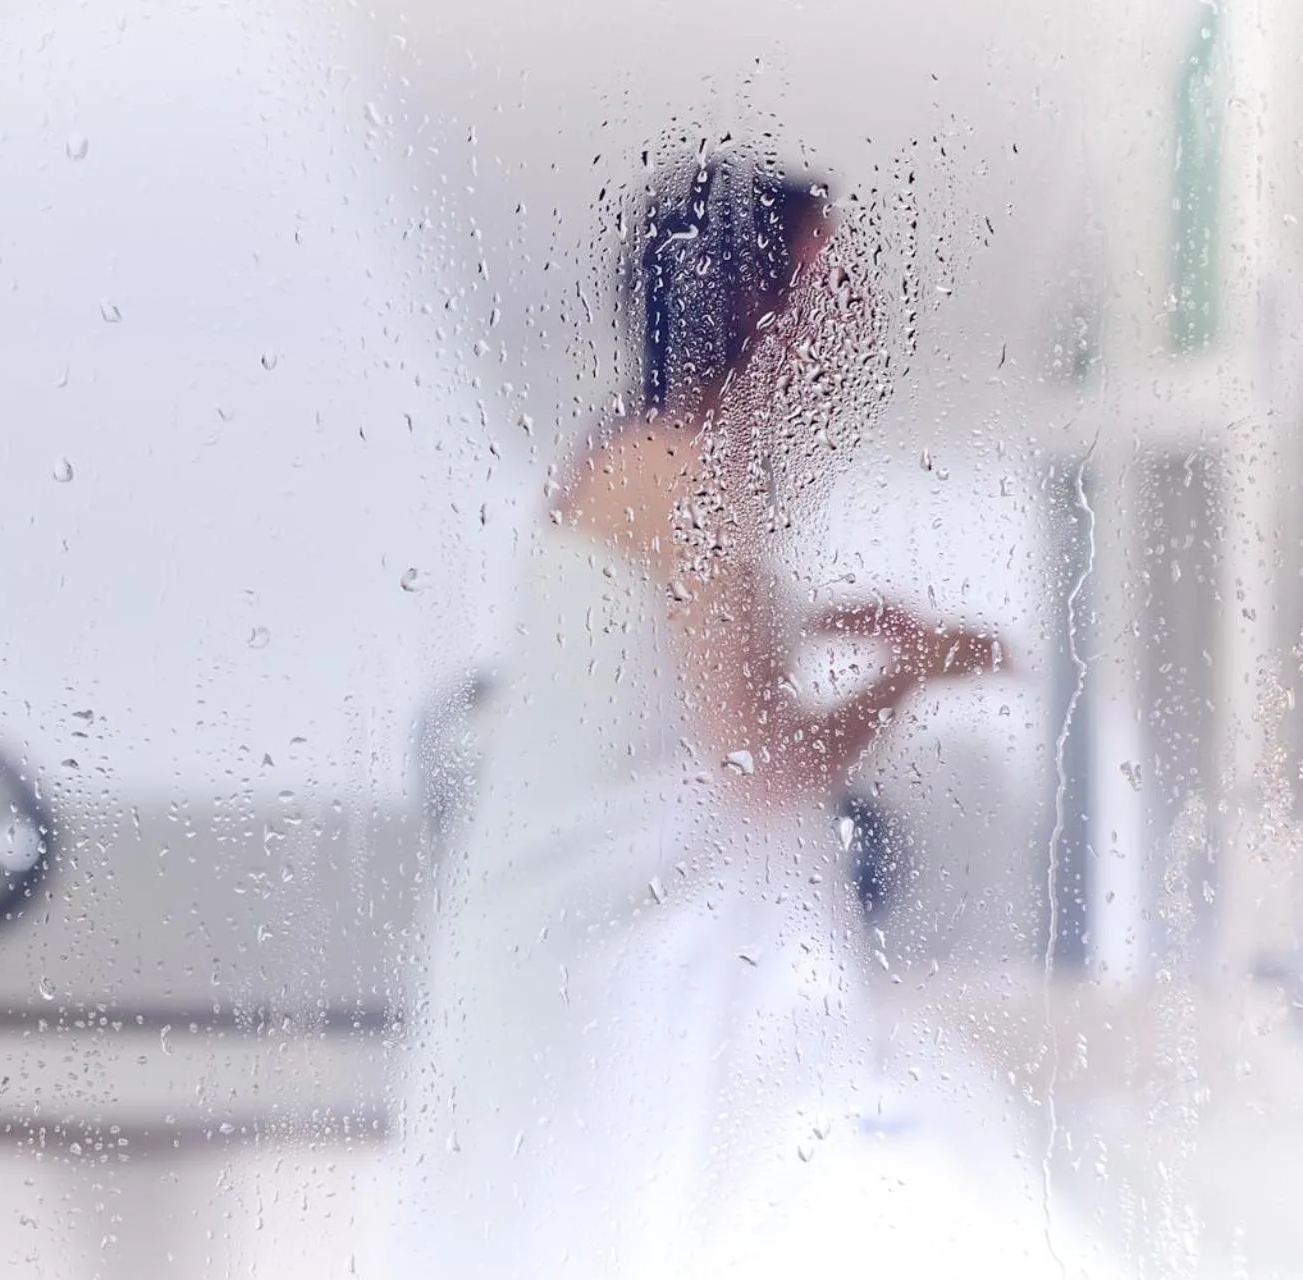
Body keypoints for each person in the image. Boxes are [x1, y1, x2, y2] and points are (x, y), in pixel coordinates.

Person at [389, 146, 1123, 1277]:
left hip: (588, 943)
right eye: (827, 280)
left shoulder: (627, 452)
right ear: (757, 299)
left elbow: (636, 640)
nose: (852, 309)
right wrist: (912, 672)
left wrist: (825, 620)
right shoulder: (689, 472)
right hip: (638, 959)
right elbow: (759, 762)